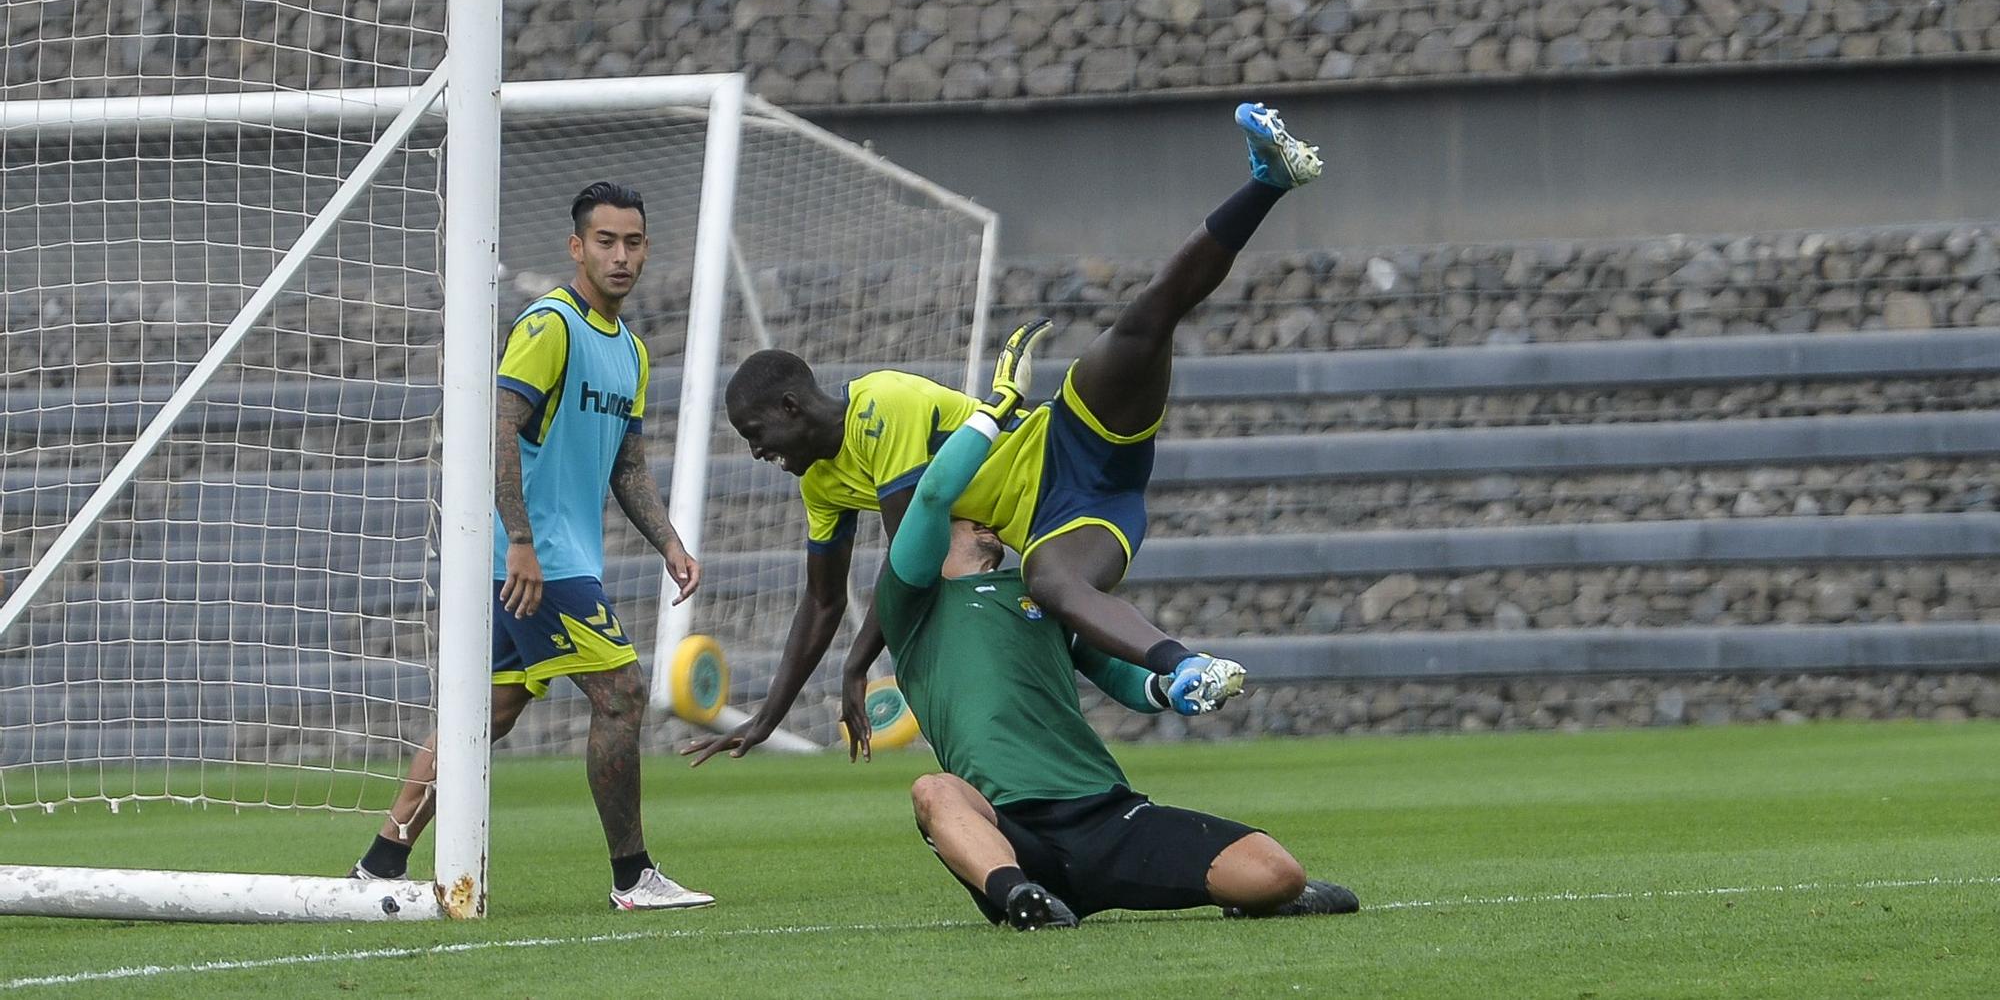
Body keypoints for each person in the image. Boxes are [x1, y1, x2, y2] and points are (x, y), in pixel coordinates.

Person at [686, 103, 1320, 762]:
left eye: (757, 433)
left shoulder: (881, 403)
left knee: (1142, 321)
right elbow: (821, 604)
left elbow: (913, 552)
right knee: (1052, 586)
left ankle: (1268, 180)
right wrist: (767, 716)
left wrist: (857, 663)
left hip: (1070, 438)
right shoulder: (821, 486)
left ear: (791, 405)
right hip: (1068, 523)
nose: (759, 452)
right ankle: (1187, 667)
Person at [882, 321, 1358, 928]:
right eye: (972, 512)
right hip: (1012, 831)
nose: (987, 518)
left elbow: (1116, 671)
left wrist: (1166, 689)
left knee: (1277, 875)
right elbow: (930, 496)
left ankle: (1240, 893)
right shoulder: (911, 600)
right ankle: (1020, 898)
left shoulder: (1038, 586)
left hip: (1106, 815)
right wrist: (1001, 405)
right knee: (934, 791)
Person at [350, 181, 712, 912]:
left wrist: (669, 538)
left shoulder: (631, 353)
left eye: (633, 242)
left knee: (489, 710)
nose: (620, 255)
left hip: (547, 557)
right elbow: (496, 427)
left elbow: (629, 465)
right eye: (605, 241)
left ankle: (381, 864)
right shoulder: (550, 325)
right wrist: (519, 538)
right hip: (535, 561)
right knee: (622, 691)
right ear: (576, 247)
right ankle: (633, 876)